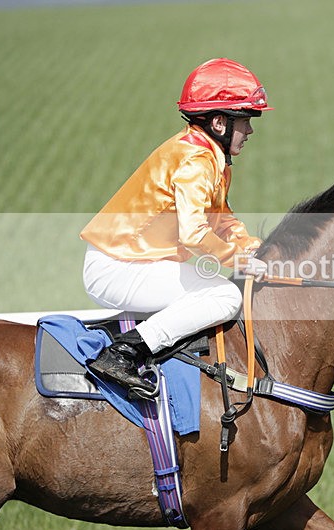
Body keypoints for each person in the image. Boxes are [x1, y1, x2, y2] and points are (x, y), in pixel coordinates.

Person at [80, 58, 270, 394]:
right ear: (219, 122)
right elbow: (195, 233)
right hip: (117, 267)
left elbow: (221, 218)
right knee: (225, 295)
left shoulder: (209, 156)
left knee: (216, 287)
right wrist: (239, 260)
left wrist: (253, 247)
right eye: (246, 120)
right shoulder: (197, 160)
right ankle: (124, 353)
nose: (251, 131)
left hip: (134, 261)